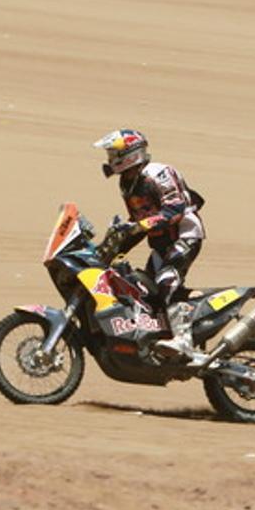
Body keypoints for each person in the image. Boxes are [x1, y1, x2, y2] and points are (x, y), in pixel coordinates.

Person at [93, 129, 205, 360]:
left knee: (167, 281)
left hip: (185, 234)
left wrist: (139, 225)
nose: (110, 159)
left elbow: (175, 209)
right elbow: (138, 223)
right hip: (161, 244)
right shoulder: (127, 183)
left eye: (114, 153)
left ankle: (184, 341)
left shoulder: (158, 173)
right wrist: (114, 248)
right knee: (145, 290)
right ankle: (165, 335)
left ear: (130, 153)